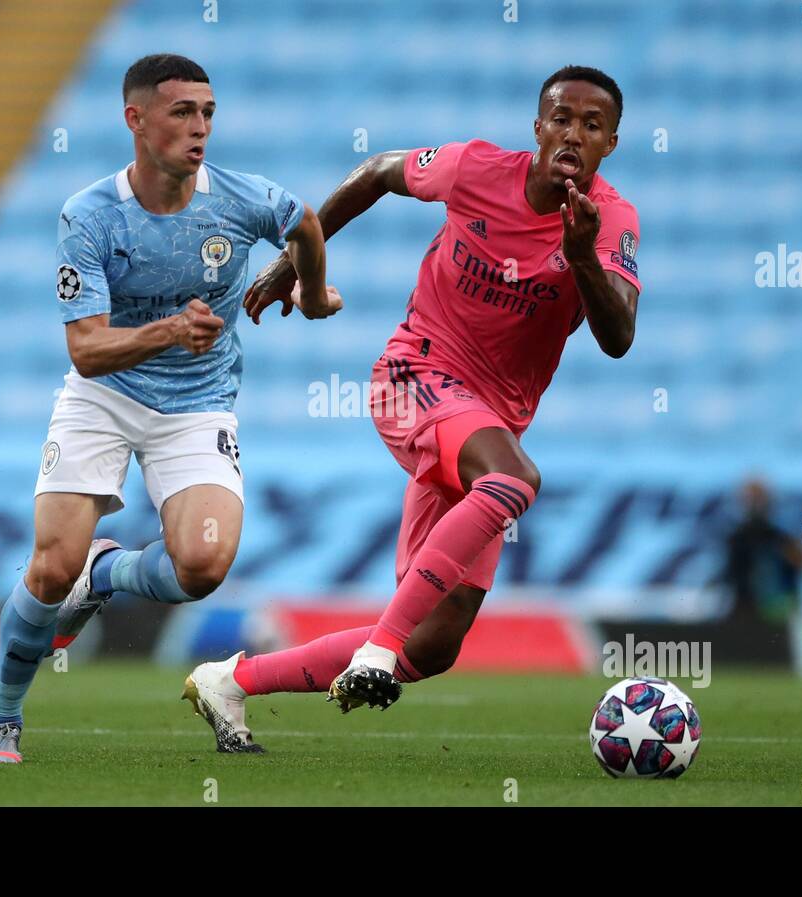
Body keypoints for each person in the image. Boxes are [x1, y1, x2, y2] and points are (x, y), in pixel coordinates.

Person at [181, 65, 641, 752]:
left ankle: (231, 680)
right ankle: (376, 650)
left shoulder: (611, 223)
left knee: (432, 643)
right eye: (562, 118)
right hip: (413, 373)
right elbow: (376, 172)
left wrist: (580, 257)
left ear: (611, 142)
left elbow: (619, 338)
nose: (574, 133)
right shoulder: (474, 168)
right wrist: (299, 261)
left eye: (592, 124)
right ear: (538, 128)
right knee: (513, 480)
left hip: (485, 422)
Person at [0, 54, 341, 763]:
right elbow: (85, 350)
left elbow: (307, 223)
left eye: (208, 112)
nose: (200, 127)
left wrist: (313, 292)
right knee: (50, 568)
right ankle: (0, 719)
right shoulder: (89, 215)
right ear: (136, 120)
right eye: (182, 112)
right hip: (104, 397)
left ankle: (104, 573)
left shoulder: (241, 197)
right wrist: (170, 330)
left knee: (201, 565)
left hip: (198, 404)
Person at [720, 479, 802, 623]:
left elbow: (798, 575)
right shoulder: (735, 539)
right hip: (746, 613)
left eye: (759, 499)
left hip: (779, 614)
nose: (755, 505)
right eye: (750, 499)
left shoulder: (783, 540)